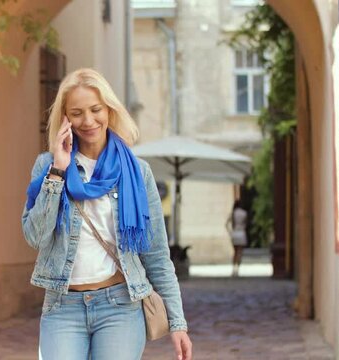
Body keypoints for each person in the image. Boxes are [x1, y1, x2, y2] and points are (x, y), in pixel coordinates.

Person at [22, 68, 192, 360]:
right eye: (77, 112)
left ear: (109, 110)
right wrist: (58, 172)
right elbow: (35, 237)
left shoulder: (137, 172)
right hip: (63, 308)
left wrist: (177, 323)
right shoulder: (48, 167)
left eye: (95, 109)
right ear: (64, 118)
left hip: (120, 307)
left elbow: (156, 255)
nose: (88, 120)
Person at [226, 200, 248, 277]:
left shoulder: (233, 213)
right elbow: (245, 224)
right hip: (241, 233)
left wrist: (230, 232)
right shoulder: (244, 213)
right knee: (240, 252)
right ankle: (238, 269)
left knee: (235, 252)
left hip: (234, 233)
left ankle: (233, 269)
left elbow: (227, 224)